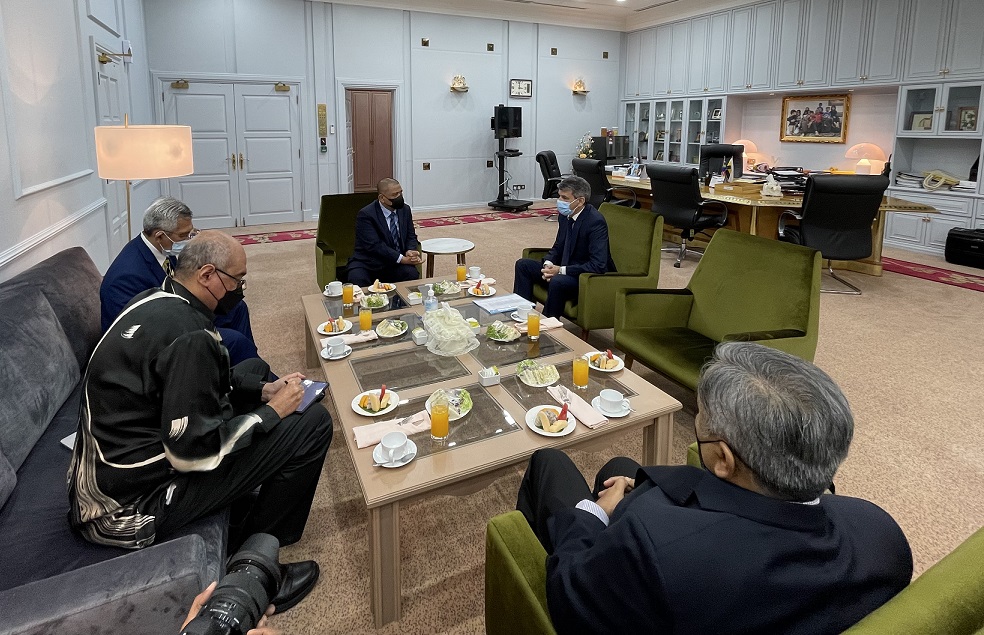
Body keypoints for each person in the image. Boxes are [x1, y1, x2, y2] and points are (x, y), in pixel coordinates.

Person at [516, 342, 912, 634]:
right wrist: (646, 490)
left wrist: (595, 514)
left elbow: (569, 597)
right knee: (620, 468)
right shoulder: (881, 531)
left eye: (700, 425)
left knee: (549, 461)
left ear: (723, 459)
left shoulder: (650, 543)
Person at [69, 230, 333, 614]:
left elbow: (195, 382)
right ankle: (253, 565)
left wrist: (263, 391)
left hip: (113, 477)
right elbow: (196, 454)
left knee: (253, 369)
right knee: (313, 423)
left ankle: (248, 505)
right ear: (207, 275)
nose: (240, 290)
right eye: (236, 281)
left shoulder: (159, 297)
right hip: (132, 506)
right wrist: (272, 411)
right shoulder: (191, 336)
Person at [100, 196, 261, 366]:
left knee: (236, 307)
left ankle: (248, 364)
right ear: (160, 236)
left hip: (178, 312)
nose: (189, 240)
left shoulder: (163, 251)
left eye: (191, 233)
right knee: (235, 341)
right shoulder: (125, 277)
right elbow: (135, 335)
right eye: (183, 235)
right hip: (157, 339)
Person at [512, 175, 615, 318]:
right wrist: (548, 264)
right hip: (564, 268)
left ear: (580, 201)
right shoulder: (565, 215)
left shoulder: (595, 222)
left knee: (557, 281)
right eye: (559, 196)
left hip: (584, 277)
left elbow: (598, 265)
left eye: (565, 198)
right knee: (523, 265)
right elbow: (559, 246)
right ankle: (521, 315)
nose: (560, 201)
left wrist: (560, 270)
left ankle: (547, 325)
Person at [345, 178, 423, 286]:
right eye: (395, 194)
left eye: (400, 192)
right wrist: (402, 259)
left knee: (411, 274)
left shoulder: (405, 210)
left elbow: (410, 235)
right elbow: (374, 245)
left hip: (394, 263)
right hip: (368, 263)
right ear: (382, 198)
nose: (399, 197)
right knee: (357, 278)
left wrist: (410, 250)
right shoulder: (366, 214)